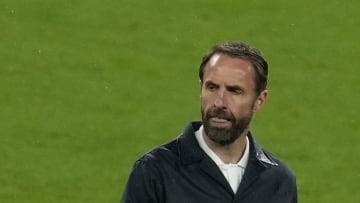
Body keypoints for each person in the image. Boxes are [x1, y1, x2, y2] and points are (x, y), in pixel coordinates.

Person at [120, 41, 297, 203]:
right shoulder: (155, 171)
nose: (219, 103)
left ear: (260, 100)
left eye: (234, 91)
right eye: (212, 87)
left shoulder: (278, 180)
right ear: (201, 89)